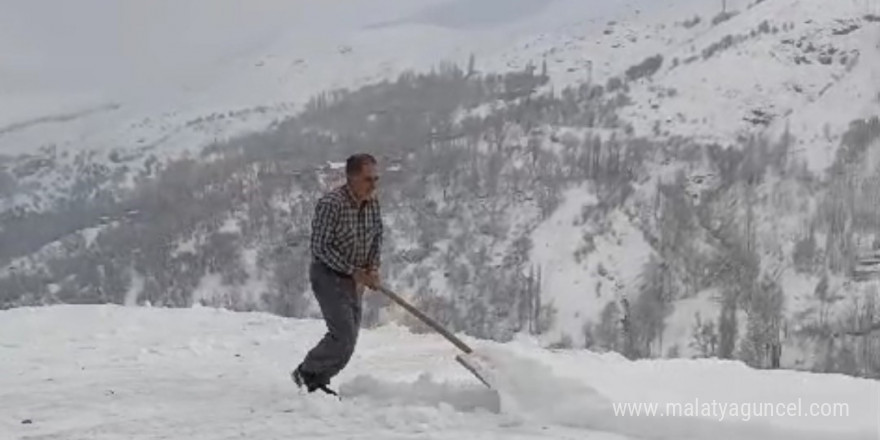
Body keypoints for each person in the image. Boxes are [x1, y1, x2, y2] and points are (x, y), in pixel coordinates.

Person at [292, 153, 383, 396]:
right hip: (329, 275)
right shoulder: (331, 204)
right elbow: (320, 247)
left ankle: (318, 378)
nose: (373, 185)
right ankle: (308, 374)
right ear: (352, 177)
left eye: (376, 179)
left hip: (356, 279)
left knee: (349, 340)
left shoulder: (372, 203)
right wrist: (353, 271)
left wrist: (372, 268)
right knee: (342, 335)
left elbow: (376, 237)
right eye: (368, 179)